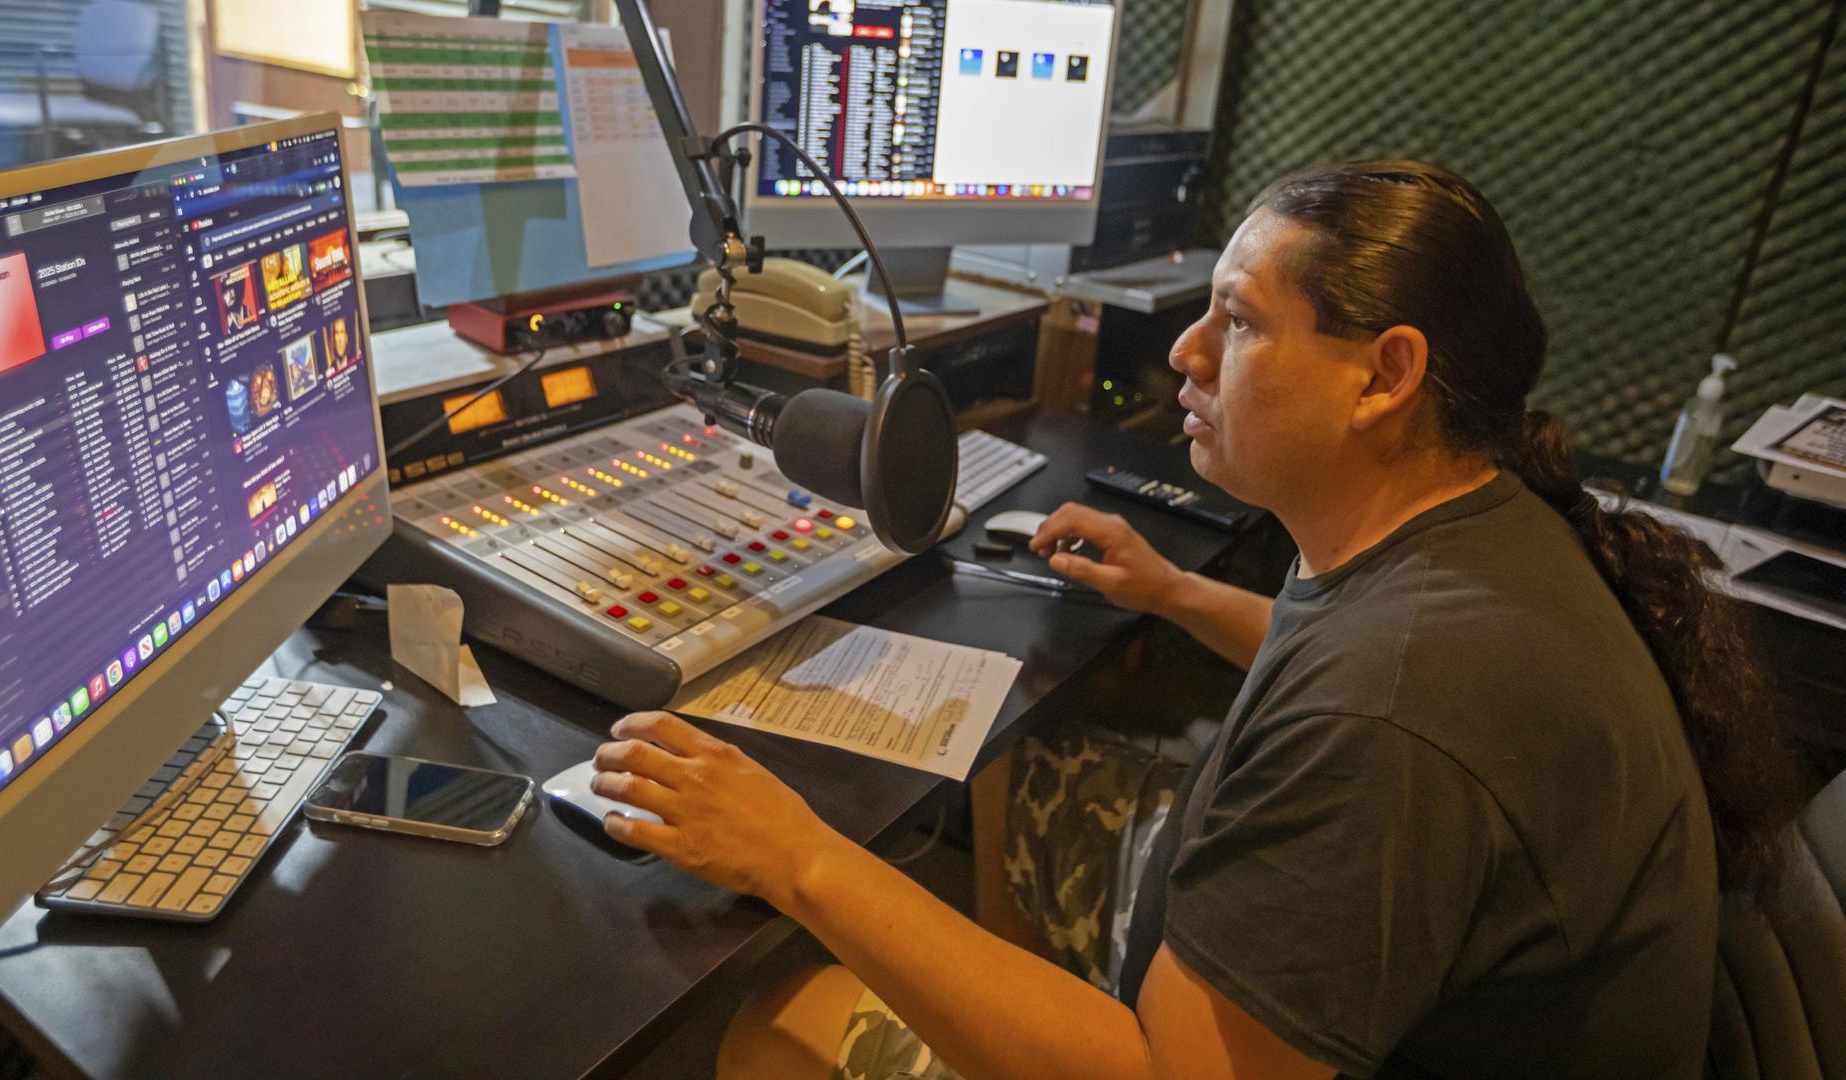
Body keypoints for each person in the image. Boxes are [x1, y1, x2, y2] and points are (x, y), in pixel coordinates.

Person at [585, 160, 1806, 1078]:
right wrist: (1174, 592)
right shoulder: (1465, 540)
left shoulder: (1397, 718)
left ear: (1385, 375)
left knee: (775, 1024)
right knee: (1012, 761)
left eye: (1241, 321)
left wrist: (798, 855)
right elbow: (1335, 653)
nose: (1185, 348)